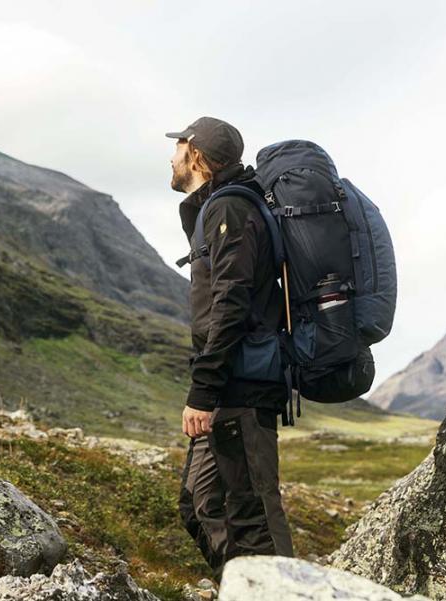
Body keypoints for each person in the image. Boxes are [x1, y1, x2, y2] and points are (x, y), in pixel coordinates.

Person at [168, 116, 294, 581]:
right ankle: (242, 590)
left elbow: (231, 303)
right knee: (202, 505)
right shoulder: (214, 209)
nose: (172, 155)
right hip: (227, 388)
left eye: (179, 145)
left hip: (242, 388)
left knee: (253, 514)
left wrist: (202, 391)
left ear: (196, 155)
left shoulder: (230, 211)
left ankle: (283, 593)